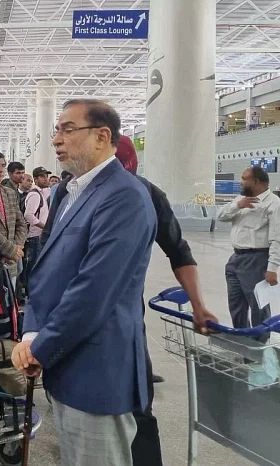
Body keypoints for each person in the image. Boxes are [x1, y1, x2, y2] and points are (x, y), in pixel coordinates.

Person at [43, 134, 217, 466]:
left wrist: (198, 304)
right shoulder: (66, 192)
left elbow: (179, 252)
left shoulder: (146, 194)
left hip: (120, 318)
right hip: (70, 310)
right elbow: (50, 255)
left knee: (136, 404)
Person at [14, 99, 156, 466]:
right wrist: (31, 335)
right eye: (55, 131)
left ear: (102, 136)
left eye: (67, 129)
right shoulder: (71, 192)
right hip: (66, 362)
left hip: (97, 371)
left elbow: (93, 292)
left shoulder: (123, 197)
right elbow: (46, 272)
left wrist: (40, 348)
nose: (57, 140)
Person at [218, 166, 280, 333]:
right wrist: (238, 205)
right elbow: (221, 216)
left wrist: (272, 268)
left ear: (256, 181)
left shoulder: (273, 204)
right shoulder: (242, 199)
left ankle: (260, 351)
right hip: (235, 259)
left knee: (259, 308)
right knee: (236, 306)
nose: (241, 182)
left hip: (256, 260)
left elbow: (277, 239)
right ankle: (243, 344)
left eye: (244, 178)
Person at [21, 166, 51, 294]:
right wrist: (44, 226)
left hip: (38, 236)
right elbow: (28, 215)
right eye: (42, 176)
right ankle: (30, 291)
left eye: (46, 176)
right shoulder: (34, 194)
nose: (46, 179)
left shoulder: (41, 193)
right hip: (35, 236)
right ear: (35, 179)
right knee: (33, 265)